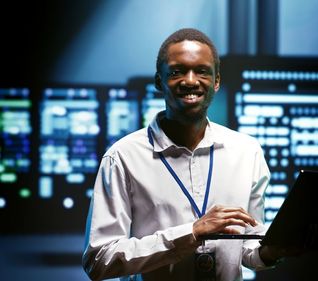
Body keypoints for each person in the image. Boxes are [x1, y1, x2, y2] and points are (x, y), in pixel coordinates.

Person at [82, 28, 289, 281]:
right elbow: (98, 260)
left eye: (202, 71)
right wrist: (190, 233)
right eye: (177, 71)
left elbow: (247, 249)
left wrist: (271, 252)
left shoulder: (247, 151)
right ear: (159, 81)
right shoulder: (122, 157)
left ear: (216, 81)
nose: (190, 80)